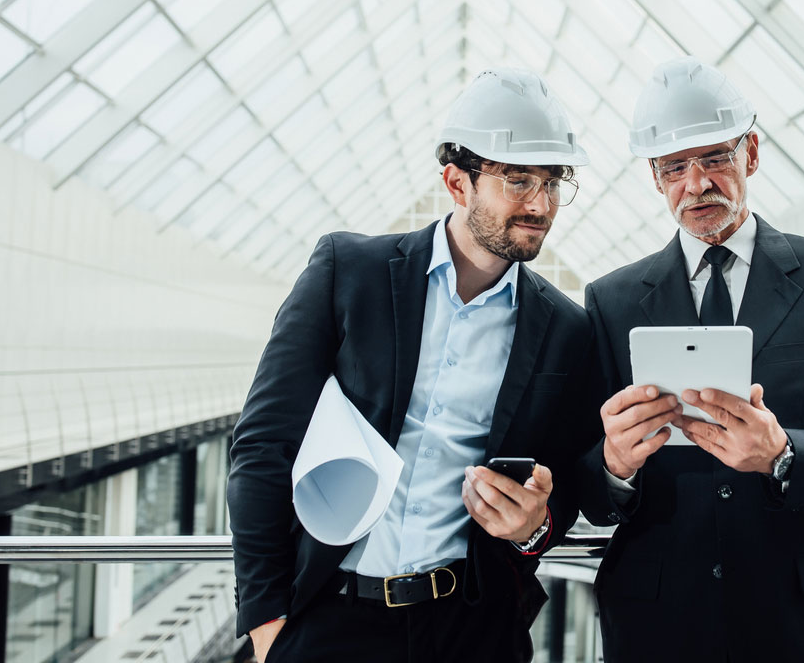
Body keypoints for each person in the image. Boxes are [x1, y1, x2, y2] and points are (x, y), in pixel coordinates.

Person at [228, 68, 600, 663]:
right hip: (327, 621)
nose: (541, 204)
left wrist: (534, 525)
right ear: (458, 183)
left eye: (555, 182)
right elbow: (263, 444)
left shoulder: (567, 329)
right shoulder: (347, 271)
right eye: (519, 180)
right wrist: (267, 623)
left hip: (472, 630)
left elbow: (568, 490)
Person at [577, 57, 804, 662]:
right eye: (674, 167)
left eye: (715, 159)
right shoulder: (611, 300)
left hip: (800, 622)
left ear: (751, 153)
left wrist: (785, 456)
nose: (696, 184)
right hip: (658, 623)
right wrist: (614, 466)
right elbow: (590, 492)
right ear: (655, 178)